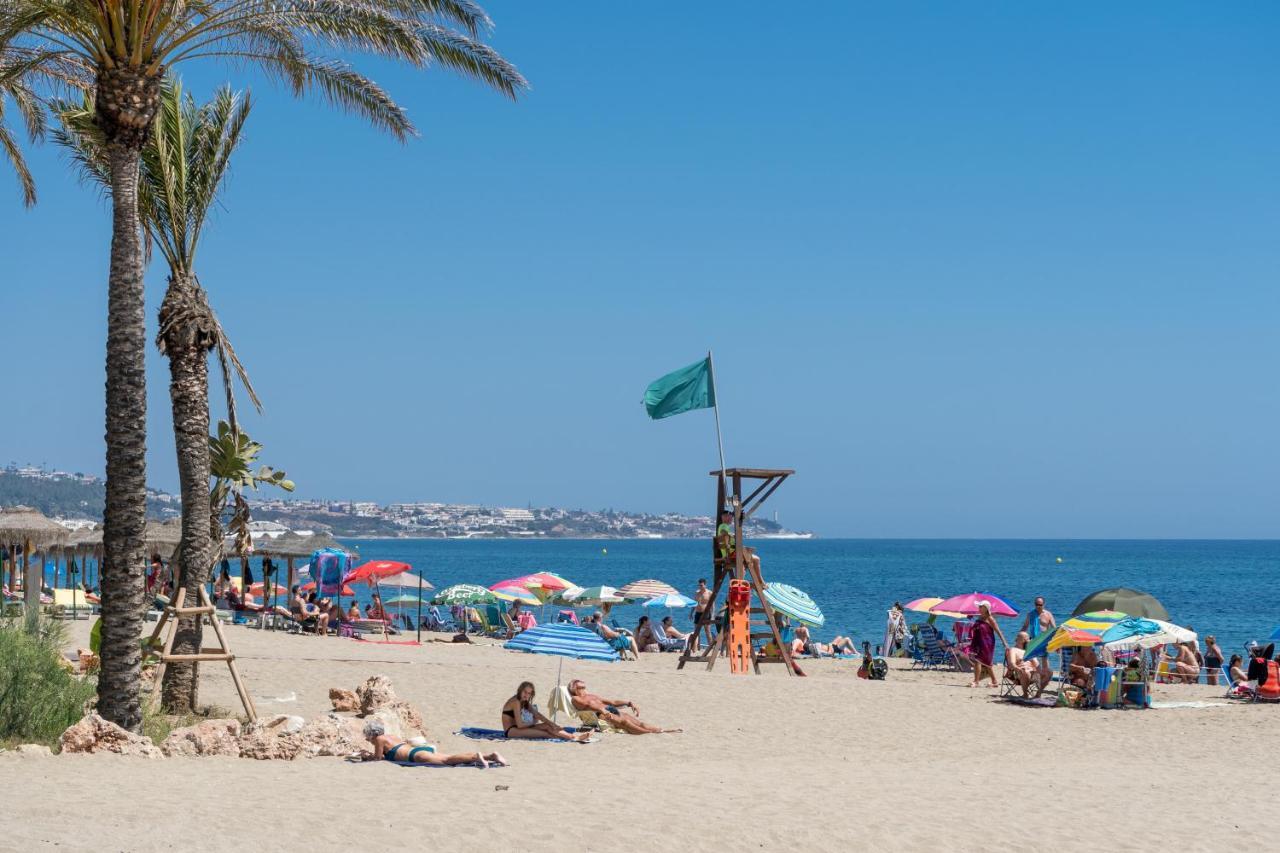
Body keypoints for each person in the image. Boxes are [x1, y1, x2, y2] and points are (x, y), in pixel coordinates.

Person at [362, 719, 506, 768]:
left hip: (414, 756)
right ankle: (491, 756)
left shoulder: (379, 740)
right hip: (417, 751)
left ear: (372, 734)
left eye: (368, 736)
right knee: (449, 757)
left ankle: (477, 756)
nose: (368, 739)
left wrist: (366, 756)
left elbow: (377, 758)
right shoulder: (391, 736)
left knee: (448, 761)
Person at [567, 679, 680, 734]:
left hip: (609, 710)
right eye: (581, 686)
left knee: (639, 723)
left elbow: (612, 701)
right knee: (625, 723)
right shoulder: (576, 698)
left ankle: (662, 730)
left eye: (583, 686)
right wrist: (601, 709)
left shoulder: (592, 695)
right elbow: (587, 705)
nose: (584, 687)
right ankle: (649, 733)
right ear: (575, 689)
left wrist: (628, 703)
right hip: (601, 714)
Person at [500, 682, 589, 742]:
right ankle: (572, 739)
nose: (526, 695)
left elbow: (537, 715)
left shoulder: (524, 702)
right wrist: (534, 722)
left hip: (521, 728)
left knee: (548, 726)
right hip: (512, 731)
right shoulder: (516, 702)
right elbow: (520, 725)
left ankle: (573, 737)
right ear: (520, 690)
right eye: (525, 692)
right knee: (545, 733)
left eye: (529, 693)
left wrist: (551, 723)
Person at [1019, 597, 1056, 688]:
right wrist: (1019, 637)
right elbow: (1025, 626)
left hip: (1044, 640)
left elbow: (1054, 628)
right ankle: (1034, 677)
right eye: (1036, 604)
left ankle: (1045, 677)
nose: (1038, 606)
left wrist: (1055, 642)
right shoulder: (1031, 614)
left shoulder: (1048, 615)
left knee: (1044, 660)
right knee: (1032, 660)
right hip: (1033, 640)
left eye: (1040, 605)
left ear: (1044, 604)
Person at [968, 601, 1007, 688]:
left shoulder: (990, 619)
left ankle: (976, 681)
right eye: (979, 607)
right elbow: (975, 629)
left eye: (981, 606)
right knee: (986, 663)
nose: (979, 608)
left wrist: (1004, 643)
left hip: (987, 643)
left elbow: (998, 631)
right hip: (978, 642)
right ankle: (994, 681)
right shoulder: (979, 618)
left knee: (979, 661)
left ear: (986, 608)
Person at [1004, 632, 1040, 698]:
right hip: (1019, 673)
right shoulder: (1013, 650)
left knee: (1048, 673)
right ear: (1022, 640)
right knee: (1025, 671)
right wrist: (1018, 668)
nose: (1030, 640)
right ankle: (1025, 694)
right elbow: (1012, 663)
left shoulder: (1029, 650)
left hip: (1032, 673)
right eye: (1028, 638)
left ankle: (1038, 694)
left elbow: (1037, 665)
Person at [691, 578, 712, 651]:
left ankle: (710, 647)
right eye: (699, 585)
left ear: (705, 585)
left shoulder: (709, 593)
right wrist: (691, 613)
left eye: (701, 585)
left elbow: (712, 605)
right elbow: (694, 604)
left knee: (707, 631)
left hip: (706, 614)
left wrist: (712, 615)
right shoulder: (697, 593)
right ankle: (697, 647)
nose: (700, 587)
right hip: (697, 613)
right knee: (697, 631)